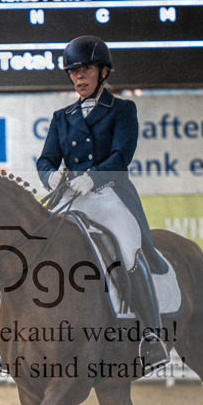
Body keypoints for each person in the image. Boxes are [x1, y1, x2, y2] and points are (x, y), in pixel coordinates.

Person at [36, 35, 169, 368]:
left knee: (128, 247)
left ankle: (152, 335)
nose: (78, 76)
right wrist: (50, 177)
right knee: (34, 245)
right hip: (70, 197)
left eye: (85, 69)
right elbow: (46, 159)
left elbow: (122, 155)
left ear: (103, 72)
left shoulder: (122, 110)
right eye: (73, 71)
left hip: (109, 195)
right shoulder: (62, 116)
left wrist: (92, 177)